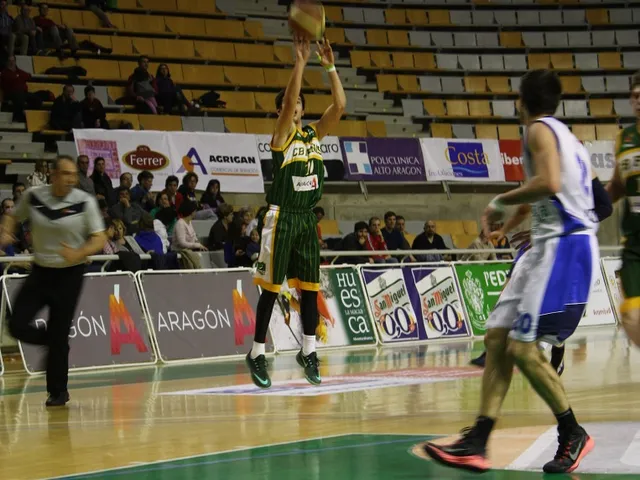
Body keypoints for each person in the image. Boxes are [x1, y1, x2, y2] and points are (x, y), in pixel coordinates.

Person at [422, 70, 600, 475]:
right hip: (546, 245)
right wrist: (513, 218)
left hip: (565, 246)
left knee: (522, 348)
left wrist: (499, 202)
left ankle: (572, 432)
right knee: (497, 338)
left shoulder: (538, 130)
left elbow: (549, 183)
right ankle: (477, 441)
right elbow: (546, 188)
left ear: (521, 101)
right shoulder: (564, 136)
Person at [248, 34, 345, 389]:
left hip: (306, 218)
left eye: (302, 103)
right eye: (293, 104)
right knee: (272, 289)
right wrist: (301, 62)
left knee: (309, 288)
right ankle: (257, 353)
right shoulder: (281, 137)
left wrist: (329, 66)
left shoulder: (314, 135)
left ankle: (309, 351)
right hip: (282, 216)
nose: (297, 106)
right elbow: (290, 100)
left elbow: (339, 106)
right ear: (283, 112)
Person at [470, 168, 613, 373]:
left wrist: (565, 227)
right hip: (535, 247)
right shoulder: (535, 172)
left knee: (548, 311)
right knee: (506, 293)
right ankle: (493, 348)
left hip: (565, 249)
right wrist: (504, 230)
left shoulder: (578, 169)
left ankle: (556, 350)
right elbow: (523, 209)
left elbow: (605, 207)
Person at [1, 155, 106, 407]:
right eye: (66, 174)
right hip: (40, 271)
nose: (71, 179)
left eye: (74, 175)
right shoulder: (34, 196)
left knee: (59, 332)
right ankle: (53, 340)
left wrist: (79, 253)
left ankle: (58, 392)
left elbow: (99, 237)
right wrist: (6, 230)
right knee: (16, 324)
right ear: (54, 175)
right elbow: (13, 215)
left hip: (70, 274)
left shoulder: (84, 201)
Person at [606, 71, 640, 348]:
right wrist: (590, 207)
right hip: (635, 245)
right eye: (635, 96)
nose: (639, 101)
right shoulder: (623, 138)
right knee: (631, 317)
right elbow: (618, 185)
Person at [1, 55, 35, 122]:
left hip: (23, 93)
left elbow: (28, 76)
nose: (11, 62)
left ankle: (28, 116)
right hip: (11, 93)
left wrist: (21, 76)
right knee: (19, 98)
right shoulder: (4, 73)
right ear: (7, 62)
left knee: (37, 100)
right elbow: (6, 83)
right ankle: (18, 118)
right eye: (10, 61)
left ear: (15, 61)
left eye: (13, 61)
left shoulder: (19, 71)